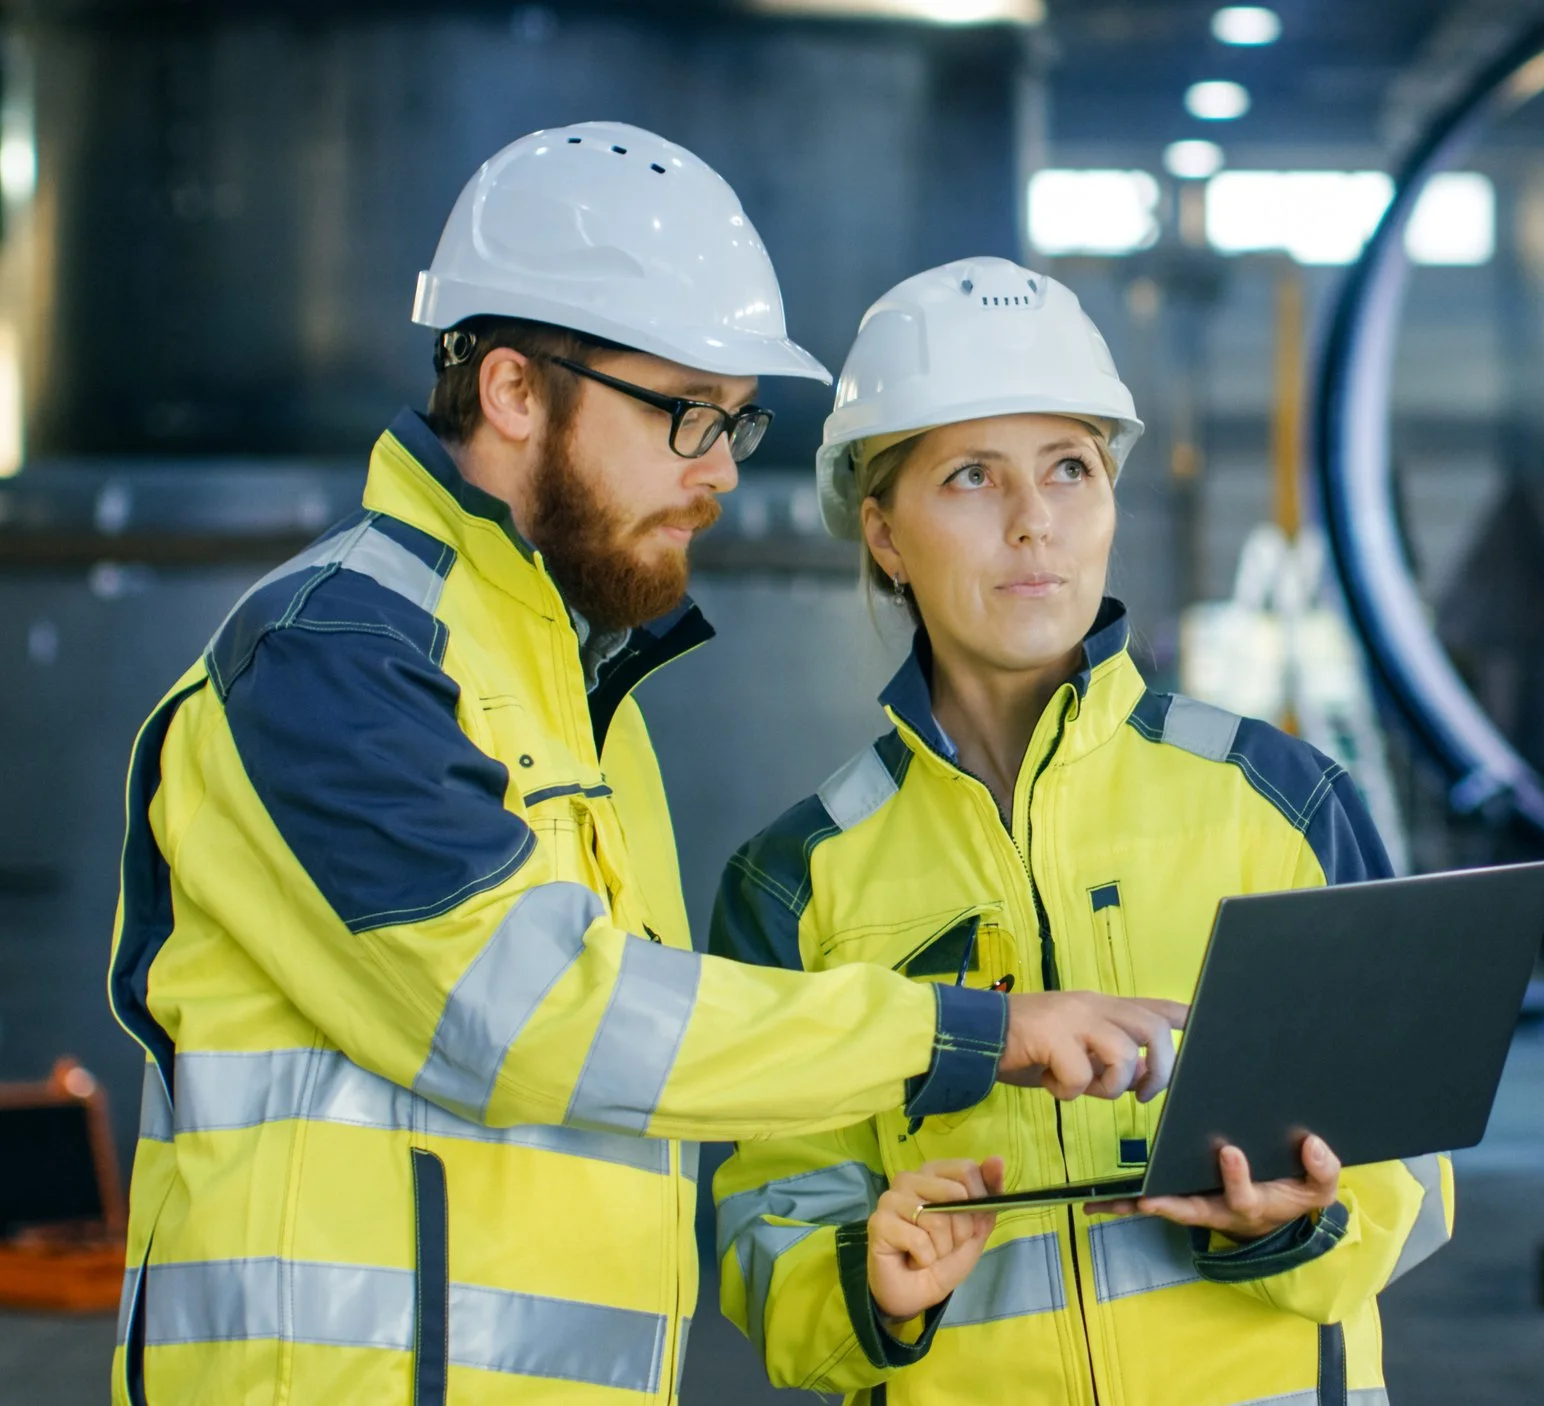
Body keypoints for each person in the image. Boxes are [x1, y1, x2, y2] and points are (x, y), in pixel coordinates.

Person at [104, 128, 1181, 1406]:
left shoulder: (580, 688)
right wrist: (972, 1030)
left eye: (734, 421)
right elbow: (530, 1017)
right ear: (513, 391)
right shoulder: (336, 652)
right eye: (685, 415)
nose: (722, 471)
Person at [709, 256, 1453, 1405]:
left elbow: (1413, 1172)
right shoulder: (795, 883)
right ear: (884, 534)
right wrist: (869, 1282)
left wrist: (1287, 1221)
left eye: (1070, 468)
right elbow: (768, 1238)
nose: (1033, 522)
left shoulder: (1280, 798)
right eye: (970, 476)